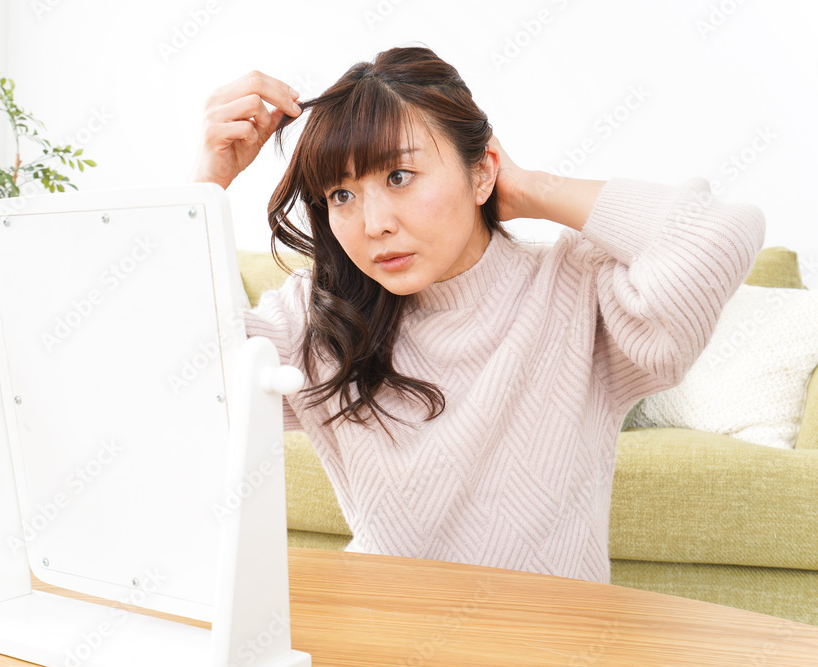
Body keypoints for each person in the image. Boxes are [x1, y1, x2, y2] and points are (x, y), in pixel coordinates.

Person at [190, 46, 765, 584]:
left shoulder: (576, 287)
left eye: (399, 177)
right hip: (384, 624)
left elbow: (718, 237)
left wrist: (531, 189)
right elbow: (181, 383)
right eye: (342, 194)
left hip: (549, 634)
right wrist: (204, 186)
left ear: (483, 170)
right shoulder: (320, 318)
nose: (374, 224)